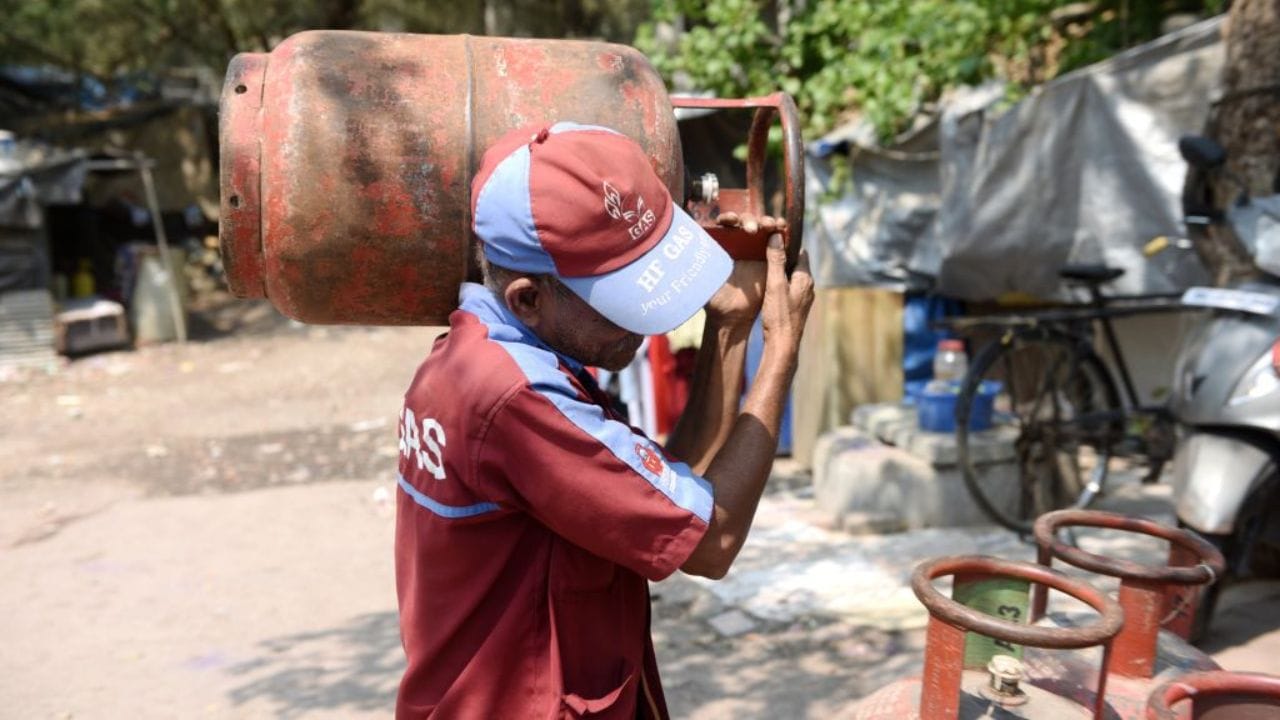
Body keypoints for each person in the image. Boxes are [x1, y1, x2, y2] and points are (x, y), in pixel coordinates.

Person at [394, 121, 814, 719]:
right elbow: (712, 543)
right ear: (528, 299)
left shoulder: (487, 356)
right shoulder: (519, 398)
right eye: (618, 300)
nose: (645, 326)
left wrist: (731, 326)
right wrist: (780, 355)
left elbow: (673, 488)